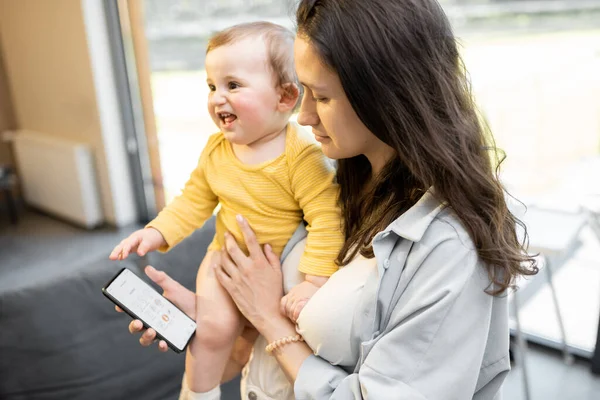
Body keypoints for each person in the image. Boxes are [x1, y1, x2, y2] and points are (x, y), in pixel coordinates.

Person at [124, 0, 539, 398]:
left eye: (320, 96)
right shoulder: (339, 182)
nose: (302, 116)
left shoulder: (447, 247)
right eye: (301, 92)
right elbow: (264, 360)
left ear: (385, 96)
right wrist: (220, 325)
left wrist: (268, 319)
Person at [109, 21, 345, 395]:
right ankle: (197, 393)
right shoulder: (216, 149)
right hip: (224, 261)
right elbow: (192, 200)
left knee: (270, 336)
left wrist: (314, 282)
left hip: (280, 266)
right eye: (212, 86)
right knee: (213, 330)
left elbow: (327, 218)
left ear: (285, 97)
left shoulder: (301, 157)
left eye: (233, 85)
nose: (218, 97)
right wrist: (155, 232)